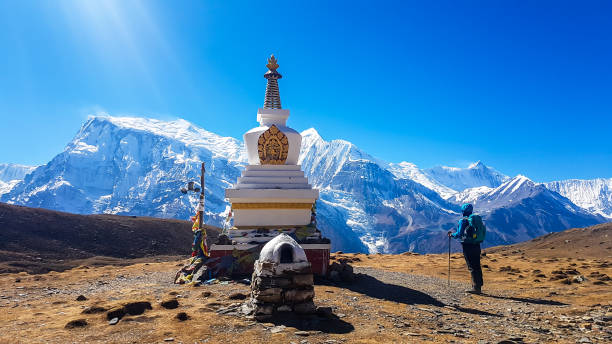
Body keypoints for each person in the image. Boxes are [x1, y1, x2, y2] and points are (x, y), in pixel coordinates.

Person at [448, 203, 484, 294]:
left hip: (468, 246)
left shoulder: (463, 221)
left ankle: (475, 288)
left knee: (471, 266)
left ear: (463, 211)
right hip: (477, 244)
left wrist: (451, 235)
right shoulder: (475, 220)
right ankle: (478, 286)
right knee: (477, 265)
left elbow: (459, 234)